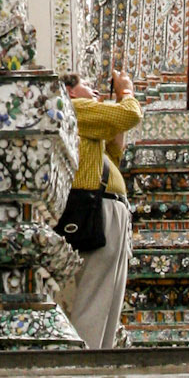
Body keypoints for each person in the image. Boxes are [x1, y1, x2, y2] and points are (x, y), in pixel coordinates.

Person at [57, 68, 142, 350]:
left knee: (109, 297)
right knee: (95, 293)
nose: (94, 90)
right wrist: (125, 91)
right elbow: (130, 115)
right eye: (86, 84)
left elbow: (114, 153)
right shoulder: (75, 108)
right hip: (98, 207)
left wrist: (115, 106)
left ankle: (100, 354)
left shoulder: (88, 121)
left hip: (109, 208)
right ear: (70, 91)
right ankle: (85, 359)